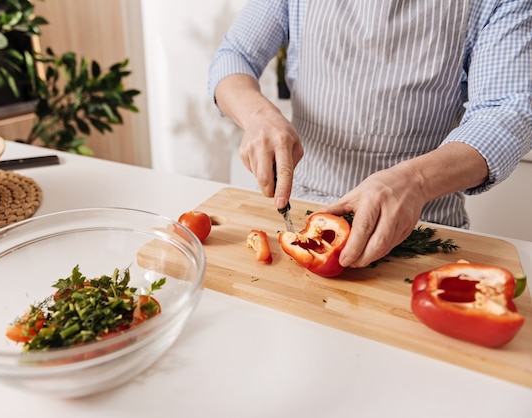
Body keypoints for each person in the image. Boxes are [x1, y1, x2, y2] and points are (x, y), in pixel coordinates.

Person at [208, 0, 532, 268]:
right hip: (299, 205)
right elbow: (235, 55)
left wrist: (416, 181)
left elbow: (507, 110)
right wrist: (258, 115)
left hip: (424, 231)